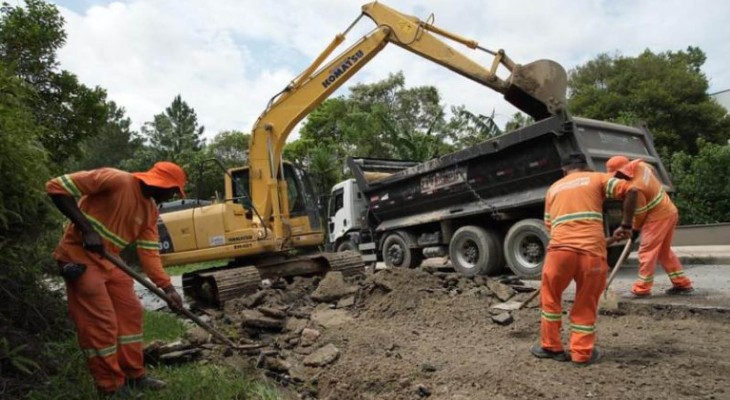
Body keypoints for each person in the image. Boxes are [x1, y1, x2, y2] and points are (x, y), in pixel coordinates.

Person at [46, 162, 187, 398]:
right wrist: (87, 229)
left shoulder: (151, 211)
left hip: (110, 260)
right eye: (174, 191)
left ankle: (134, 375)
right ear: (163, 184)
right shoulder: (116, 179)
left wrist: (168, 288)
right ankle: (110, 387)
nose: (173, 196)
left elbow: (149, 253)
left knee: (130, 313)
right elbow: (55, 186)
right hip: (78, 256)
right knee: (102, 324)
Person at [531, 152, 636, 365]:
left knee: (550, 299)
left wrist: (606, 239)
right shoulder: (597, 178)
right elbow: (632, 190)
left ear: (564, 170)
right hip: (592, 255)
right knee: (586, 303)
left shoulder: (554, 189)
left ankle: (551, 347)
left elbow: (555, 228)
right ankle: (581, 353)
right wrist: (625, 225)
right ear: (585, 167)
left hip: (559, 253)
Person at [606, 155, 694, 298]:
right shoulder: (642, 166)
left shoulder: (636, 188)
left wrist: (634, 229)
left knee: (646, 251)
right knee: (663, 252)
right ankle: (682, 283)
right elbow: (653, 170)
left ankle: (642, 289)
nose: (616, 176)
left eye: (617, 174)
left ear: (622, 171)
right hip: (669, 211)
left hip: (657, 218)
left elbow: (640, 213)